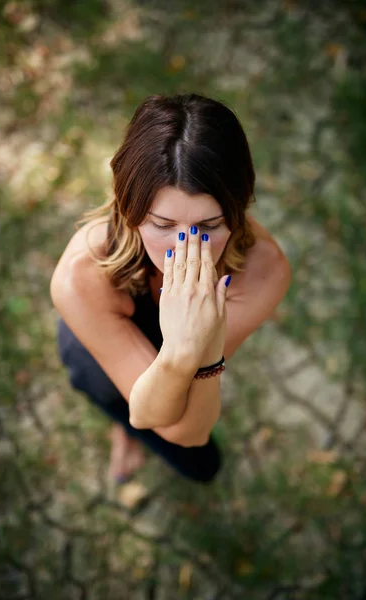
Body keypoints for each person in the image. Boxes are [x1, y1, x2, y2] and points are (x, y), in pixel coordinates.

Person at [50, 93, 292, 485]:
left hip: (186, 358)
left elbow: (188, 431)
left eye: (209, 226)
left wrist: (206, 347)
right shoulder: (80, 276)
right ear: (128, 205)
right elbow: (148, 415)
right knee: (127, 407)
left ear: (238, 208)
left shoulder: (265, 270)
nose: (185, 249)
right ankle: (123, 432)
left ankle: (126, 428)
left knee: (200, 464)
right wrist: (185, 352)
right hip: (98, 350)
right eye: (162, 225)